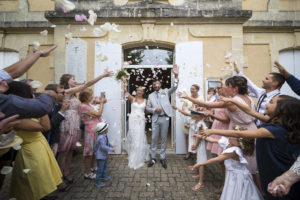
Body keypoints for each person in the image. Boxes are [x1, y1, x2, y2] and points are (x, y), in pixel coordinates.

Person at [200, 95, 300, 200]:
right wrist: (231, 100)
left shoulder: (274, 130)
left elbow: (239, 134)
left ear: (282, 110)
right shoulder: (271, 122)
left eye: (271, 102)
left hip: (278, 171)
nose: (266, 104)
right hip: (272, 169)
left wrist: (212, 131)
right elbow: (249, 111)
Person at [181, 76, 261, 191]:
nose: (224, 88)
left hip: (240, 134)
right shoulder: (247, 98)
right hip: (251, 131)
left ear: (235, 89)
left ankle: (239, 192)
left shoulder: (232, 101)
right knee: (249, 167)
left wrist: (188, 97)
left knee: (238, 165)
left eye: (226, 86)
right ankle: (256, 192)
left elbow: (208, 105)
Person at [6, 81, 62, 200]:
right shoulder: (16, 117)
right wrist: (41, 107)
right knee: (35, 187)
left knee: (42, 184)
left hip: (39, 148)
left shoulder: (25, 111)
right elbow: (45, 126)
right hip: (31, 153)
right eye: (32, 92)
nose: (35, 94)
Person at [57, 69, 113, 184]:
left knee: (70, 151)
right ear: (66, 81)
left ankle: (66, 173)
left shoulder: (74, 96)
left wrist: (97, 102)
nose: (75, 81)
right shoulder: (66, 91)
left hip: (74, 124)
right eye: (73, 79)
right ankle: (58, 177)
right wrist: (102, 75)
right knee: (63, 152)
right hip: (67, 123)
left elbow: (83, 105)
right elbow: (87, 85)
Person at [190, 136, 263, 200]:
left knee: (236, 192)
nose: (230, 136)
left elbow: (217, 159)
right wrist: (199, 135)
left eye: (233, 137)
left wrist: (200, 163)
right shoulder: (228, 143)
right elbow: (212, 139)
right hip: (232, 174)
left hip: (237, 177)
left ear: (238, 143)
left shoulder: (234, 150)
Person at [146, 64, 179, 169]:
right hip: (155, 119)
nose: (156, 86)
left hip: (165, 118)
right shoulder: (150, 95)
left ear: (160, 84)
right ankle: (153, 158)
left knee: (164, 138)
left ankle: (163, 158)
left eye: (158, 84)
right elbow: (147, 108)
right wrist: (154, 109)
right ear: (152, 85)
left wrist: (176, 76)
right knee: (154, 138)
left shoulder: (165, 92)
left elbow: (174, 87)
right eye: (154, 84)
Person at [173, 107, 209, 191]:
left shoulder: (201, 124)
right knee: (199, 160)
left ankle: (201, 183)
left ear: (198, 116)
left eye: (193, 114)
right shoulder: (196, 121)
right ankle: (200, 175)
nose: (191, 115)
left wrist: (195, 145)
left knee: (201, 161)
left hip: (200, 144)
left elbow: (200, 136)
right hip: (197, 142)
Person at [79, 88, 106, 179]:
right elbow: (98, 114)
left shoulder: (88, 104)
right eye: (90, 96)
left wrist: (101, 100)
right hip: (90, 131)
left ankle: (92, 167)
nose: (92, 97)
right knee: (88, 152)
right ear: (86, 97)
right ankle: (87, 173)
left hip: (94, 129)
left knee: (94, 150)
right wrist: (101, 103)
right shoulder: (84, 106)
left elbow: (95, 102)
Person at [123, 84, 150, 170]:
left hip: (141, 120)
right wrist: (124, 81)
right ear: (136, 91)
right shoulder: (132, 99)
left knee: (140, 136)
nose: (139, 92)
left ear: (143, 92)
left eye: (141, 90)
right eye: (138, 90)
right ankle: (133, 155)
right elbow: (125, 92)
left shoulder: (146, 100)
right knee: (134, 136)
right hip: (133, 119)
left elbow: (148, 111)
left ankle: (139, 156)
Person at [42, 84, 69, 156]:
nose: (65, 94)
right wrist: (62, 111)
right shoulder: (45, 106)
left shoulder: (59, 105)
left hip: (54, 139)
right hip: (45, 139)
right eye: (62, 93)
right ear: (53, 94)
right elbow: (49, 125)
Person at [181, 84, 203, 160]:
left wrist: (193, 109)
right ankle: (188, 153)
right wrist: (185, 109)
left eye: (193, 89)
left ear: (197, 90)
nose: (191, 90)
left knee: (195, 137)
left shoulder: (200, 99)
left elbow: (202, 109)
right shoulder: (188, 98)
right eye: (191, 89)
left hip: (196, 121)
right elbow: (183, 107)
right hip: (187, 120)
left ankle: (196, 155)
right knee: (187, 137)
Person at [94, 122, 116, 187]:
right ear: (103, 130)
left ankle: (104, 176)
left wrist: (112, 146)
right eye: (107, 128)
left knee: (105, 166)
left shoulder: (104, 136)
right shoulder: (101, 138)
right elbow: (103, 147)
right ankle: (97, 181)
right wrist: (111, 149)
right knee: (100, 168)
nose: (108, 129)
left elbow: (107, 143)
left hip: (104, 155)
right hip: (100, 156)